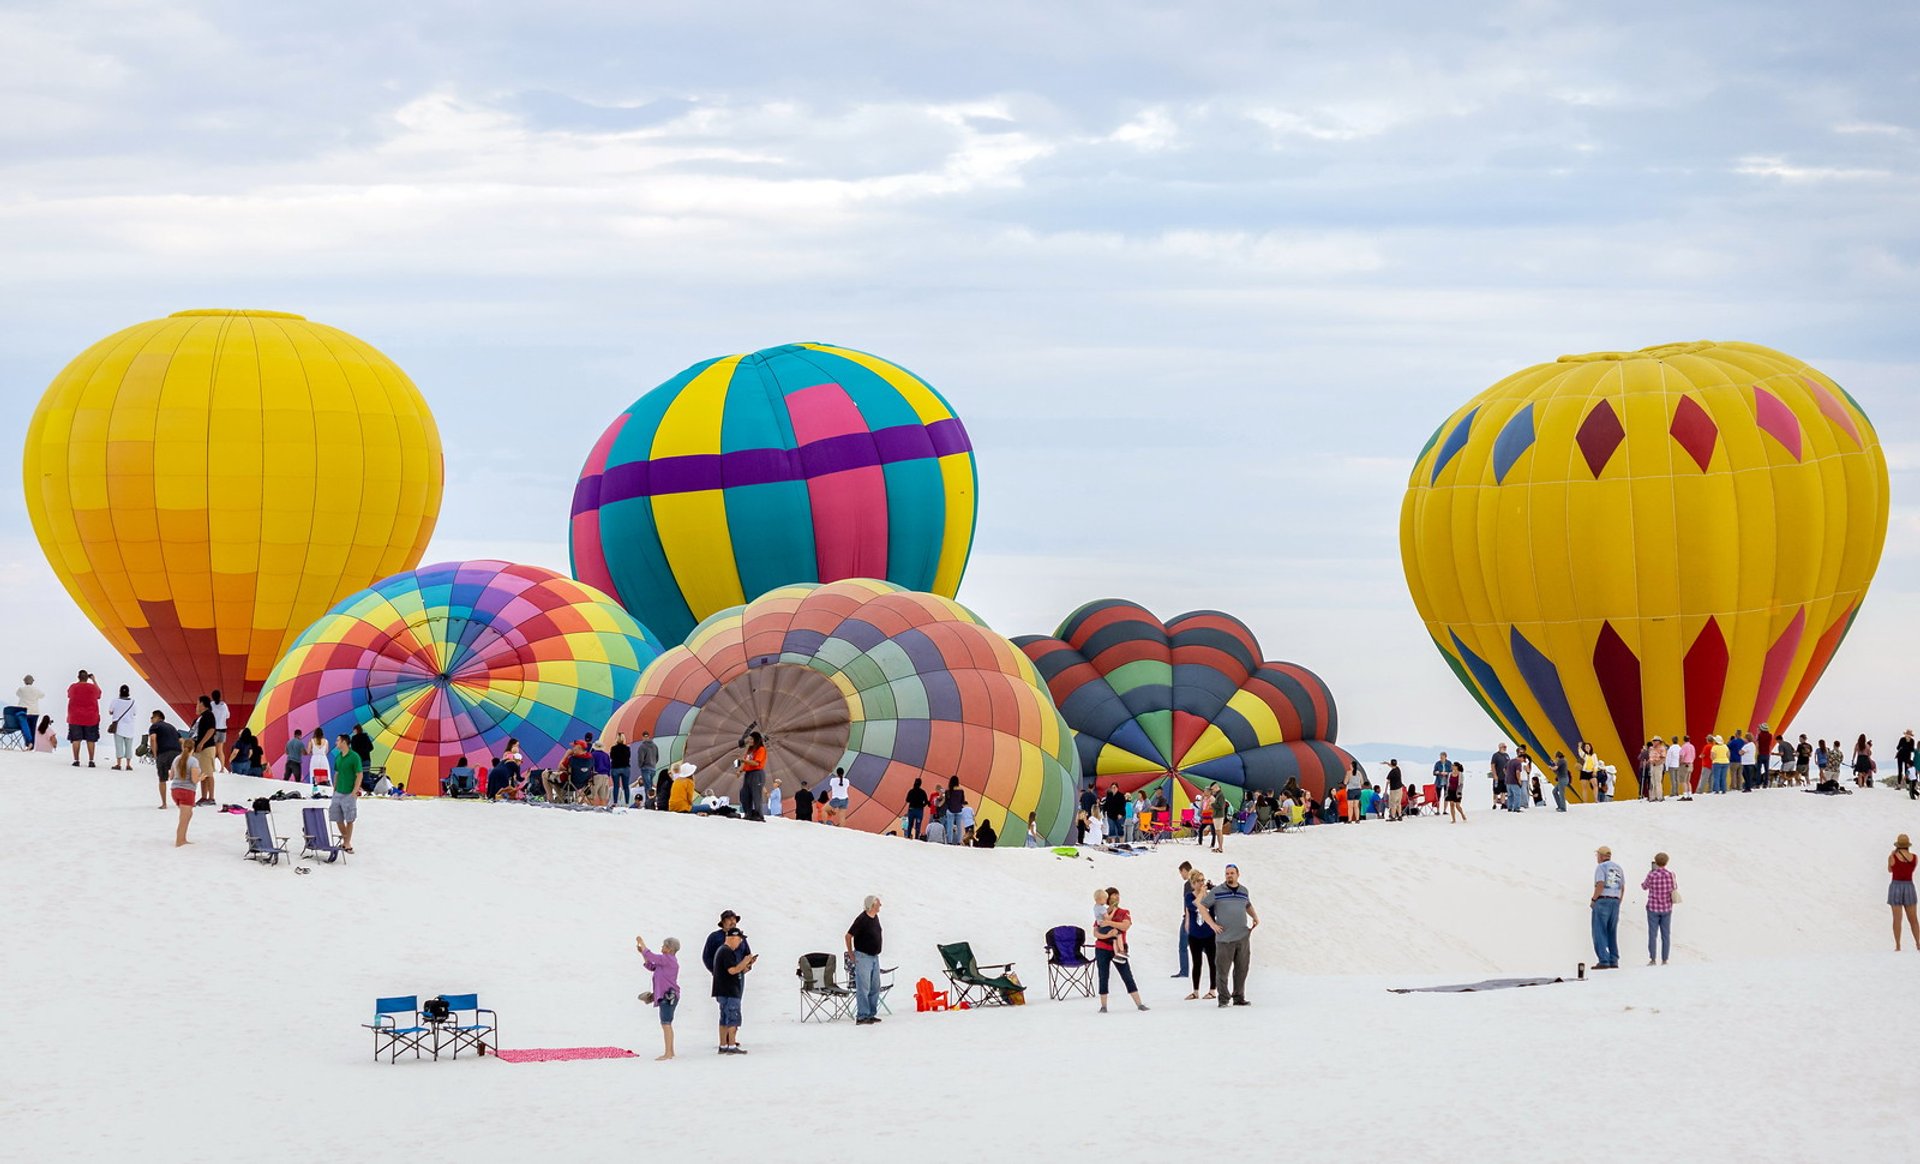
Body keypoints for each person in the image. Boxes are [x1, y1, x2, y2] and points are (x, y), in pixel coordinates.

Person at [1197, 864, 1258, 1006]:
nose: (1229, 875)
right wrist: (1212, 924)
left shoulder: (1244, 891)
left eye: (1232, 873)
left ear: (1238, 874)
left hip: (1242, 936)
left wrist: (1255, 917)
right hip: (1224, 938)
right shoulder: (1218, 891)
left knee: (1242, 969)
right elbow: (1202, 906)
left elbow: (1247, 905)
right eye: (1227, 873)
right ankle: (1223, 999)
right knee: (1222, 970)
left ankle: (1238, 997)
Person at [1093, 887, 1149, 1013]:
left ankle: (1139, 1003)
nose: (1116, 897)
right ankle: (1103, 1006)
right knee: (1103, 976)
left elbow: (1125, 926)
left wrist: (1109, 924)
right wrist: (1108, 935)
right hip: (1102, 947)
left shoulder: (1123, 912)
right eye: (1113, 895)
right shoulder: (1102, 911)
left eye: (1118, 895)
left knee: (1127, 975)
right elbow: (1095, 932)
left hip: (1118, 949)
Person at [710, 927, 756, 1054]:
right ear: (733, 938)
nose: (740, 943)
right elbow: (733, 970)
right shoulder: (727, 951)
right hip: (730, 990)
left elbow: (736, 970)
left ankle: (723, 1045)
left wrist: (747, 966)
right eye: (739, 940)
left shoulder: (722, 951)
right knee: (732, 1017)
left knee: (724, 1017)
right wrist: (745, 961)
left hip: (722, 990)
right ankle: (731, 1045)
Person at [635, 934, 681, 1060]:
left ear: (670, 949)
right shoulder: (664, 961)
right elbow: (651, 965)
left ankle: (668, 1053)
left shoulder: (668, 959)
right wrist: (642, 954)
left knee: (666, 1024)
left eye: (664, 945)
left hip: (668, 997)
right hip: (666, 997)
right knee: (667, 1024)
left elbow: (651, 956)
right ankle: (670, 1052)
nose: (662, 947)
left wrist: (641, 942)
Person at [845, 895, 885, 1025]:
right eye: (878, 903)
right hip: (863, 957)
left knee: (875, 986)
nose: (880, 905)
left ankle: (871, 1014)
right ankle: (862, 1015)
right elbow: (848, 935)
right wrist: (851, 954)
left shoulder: (875, 918)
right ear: (872, 905)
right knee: (864, 986)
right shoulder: (862, 919)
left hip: (874, 957)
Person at [1590, 845, 1625, 969]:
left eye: (1597, 855)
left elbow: (1600, 884)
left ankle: (1604, 960)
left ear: (1601, 855)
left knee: (1599, 930)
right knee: (1612, 931)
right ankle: (1613, 959)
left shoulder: (1601, 867)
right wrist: (1618, 901)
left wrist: (1594, 899)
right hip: (1615, 901)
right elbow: (1622, 887)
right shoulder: (1618, 868)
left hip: (1603, 900)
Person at [330, 732, 362, 853]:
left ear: (344, 742)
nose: (336, 742)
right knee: (337, 817)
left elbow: (359, 774)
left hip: (349, 792)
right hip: (338, 791)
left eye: (338, 740)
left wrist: (355, 791)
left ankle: (347, 843)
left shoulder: (354, 757)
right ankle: (346, 839)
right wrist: (334, 788)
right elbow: (337, 773)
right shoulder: (338, 757)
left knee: (349, 819)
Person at [1643, 852, 1677, 965]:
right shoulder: (1671, 875)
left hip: (1653, 907)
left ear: (1656, 862)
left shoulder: (1652, 875)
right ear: (1666, 862)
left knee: (1652, 934)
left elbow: (1644, 886)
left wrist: (1649, 875)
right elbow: (1675, 887)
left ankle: (1653, 959)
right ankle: (1665, 959)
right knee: (1666, 934)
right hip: (1667, 908)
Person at [65, 669, 101, 768]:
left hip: (75, 717)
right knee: (91, 740)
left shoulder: (73, 687)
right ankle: (91, 761)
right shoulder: (93, 687)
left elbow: (69, 694)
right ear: (87, 678)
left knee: (76, 739)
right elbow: (99, 694)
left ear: (78, 677)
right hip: (91, 717)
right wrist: (94, 680)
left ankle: (76, 760)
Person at [148, 710, 182, 810]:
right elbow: (182, 741)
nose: (151, 719)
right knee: (179, 778)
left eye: (152, 717)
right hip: (177, 753)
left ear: (157, 717)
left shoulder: (155, 726)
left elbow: (153, 739)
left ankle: (164, 803)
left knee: (162, 779)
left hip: (163, 753)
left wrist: (155, 754)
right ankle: (181, 801)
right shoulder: (172, 727)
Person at [1890, 835, 1919, 951]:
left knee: (1897, 919)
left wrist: (1893, 854)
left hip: (1896, 886)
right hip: (1909, 886)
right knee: (1913, 919)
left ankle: (1898, 945)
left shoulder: (1892, 857)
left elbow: (1890, 869)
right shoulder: (1915, 857)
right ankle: (1918, 943)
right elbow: (1910, 869)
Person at [168, 749, 201, 846]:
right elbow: (194, 780)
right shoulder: (193, 761)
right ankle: (180, 840)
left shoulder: (176, 759)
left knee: (187, 815)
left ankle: (182, 838)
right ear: (192, 749)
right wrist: (201, 778)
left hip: (175, 790)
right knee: (184, 818)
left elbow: (171, 776)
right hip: (187, 791)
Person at [105, 684, 139, 771]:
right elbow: (134, 713)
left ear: (119, 692)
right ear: (128, 692)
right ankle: (128, 765)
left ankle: (119, 764)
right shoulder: (133, 702)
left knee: (119, 745)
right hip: (129, 728)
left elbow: (110, 711)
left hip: (118, 727)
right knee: (129, 746)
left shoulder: (115, 701)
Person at [736, 730, 767, 820]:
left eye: (751, 739)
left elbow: (756, 763)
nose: (750, 740)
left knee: (756, 795)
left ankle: (758, 815)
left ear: (756, 740)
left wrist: (744, 761)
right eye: (749, 739)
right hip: (748, 774)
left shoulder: (761, 749)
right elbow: (745, 762)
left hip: (757, 774)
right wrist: (739, 770)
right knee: (744, 793)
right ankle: (748, 813)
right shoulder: (750, 750)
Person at [5, 674, 43, 745]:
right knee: (32, 729)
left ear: (24, 682)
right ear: (32, 682)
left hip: (25, 712)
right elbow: (42, 695)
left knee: (25, 728)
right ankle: (32, 745)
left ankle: (28, 743)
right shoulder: (36, 690)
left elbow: (17, 694)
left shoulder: (21, 689)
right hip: (35, 712)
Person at [632, 730, 658, 809]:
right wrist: (653, 764)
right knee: (650, 786)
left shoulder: (642, 747)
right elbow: (657, 757)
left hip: (646, 768)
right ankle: (652, 802)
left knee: (647, 786)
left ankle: (648, 804)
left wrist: (641, 766)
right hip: (653, 768)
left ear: (643, 737)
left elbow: (641, 759)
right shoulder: (655, 746)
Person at [209, 690, 232, 772]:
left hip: (214, 730)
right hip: (223, 729)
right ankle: (222, 768)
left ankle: (212, 767)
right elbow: (228, 716)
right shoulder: (224, 705)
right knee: (220, 750)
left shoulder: (211, 705)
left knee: (213, 749)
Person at [609, 733, 632, 807]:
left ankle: (615, 802)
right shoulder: (627, 748)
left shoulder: (613, 748)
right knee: (626, 786)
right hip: (625, 768)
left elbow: (611, 757)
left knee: (616, 786)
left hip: (615, 768)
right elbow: (628, 757)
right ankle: (627, 802)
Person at [941, 776, 965, 844]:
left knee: (950, 827)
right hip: (959, 810)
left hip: (950, 810)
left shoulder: (948, 791)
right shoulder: (961, 790)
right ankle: (959, 841)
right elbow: (962, 801)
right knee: (959, 827)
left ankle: (949, 841)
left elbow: (946, 801)